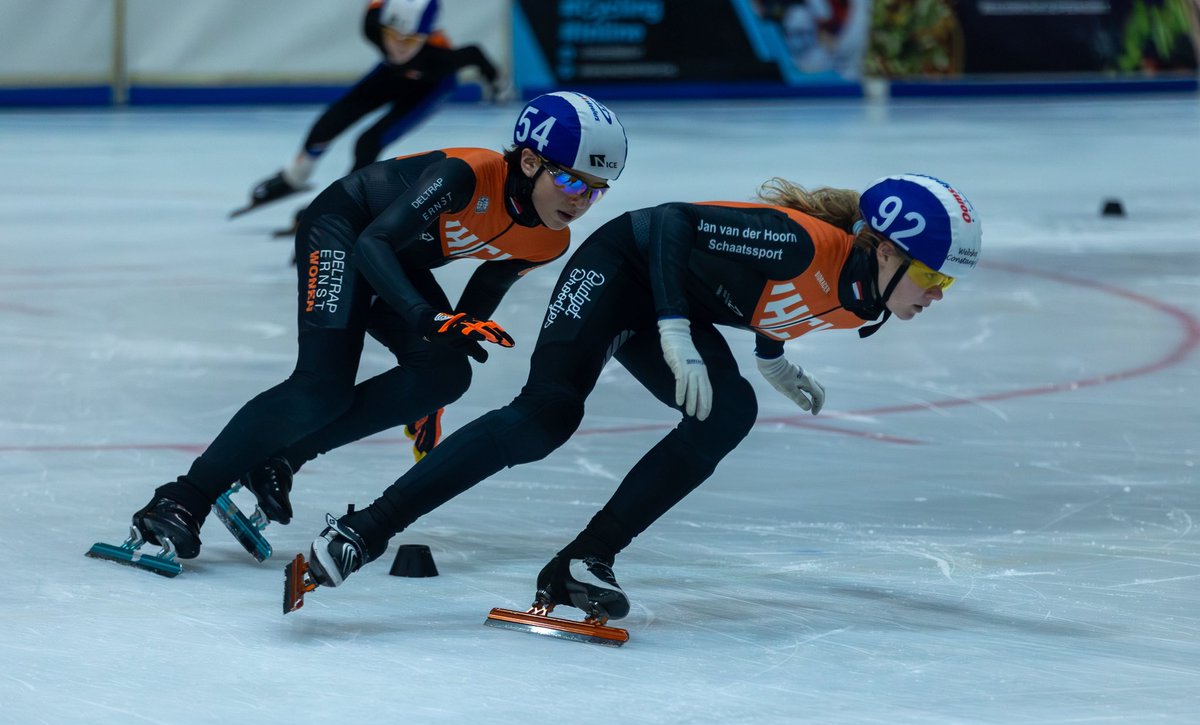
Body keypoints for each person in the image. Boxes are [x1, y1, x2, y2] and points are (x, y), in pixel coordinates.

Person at [295, 173, 982, 621]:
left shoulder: (866, 301)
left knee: (729, 410)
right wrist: (676, 327)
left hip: (672, 304)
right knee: (545, 418)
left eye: (945, 285)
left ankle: (581, 562)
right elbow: (672, 222)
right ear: (886, 250)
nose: (935, 295)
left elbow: (772, 300)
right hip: (619, 266)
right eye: (933, 276)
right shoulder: (803, 242)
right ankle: (365, 529)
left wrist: (771, 356)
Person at [128, 91, 628, 562]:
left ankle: (279, 459)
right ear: (528, 161)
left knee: (445, 376)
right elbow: (374, 244)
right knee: (321, 388)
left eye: (596, 190)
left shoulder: (548, 241)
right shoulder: (467, 176)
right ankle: (181, 499)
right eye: (570, 181)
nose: (581, 200)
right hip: (346, 230)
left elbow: (488, 280)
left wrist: (462, 329)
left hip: (397, 258)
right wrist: (421, 315)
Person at [232, 0, 511, 223]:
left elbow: (475, 54)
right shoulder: (372, 26)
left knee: (368, 141)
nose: (398, 46)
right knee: (334, 118)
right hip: (391, 75)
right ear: (383, 28)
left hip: (430, 88)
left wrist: (498, 84)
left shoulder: (440, 59)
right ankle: (295, 176)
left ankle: (347, 203)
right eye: (393, 36)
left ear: (425, 36)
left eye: (410, 39)